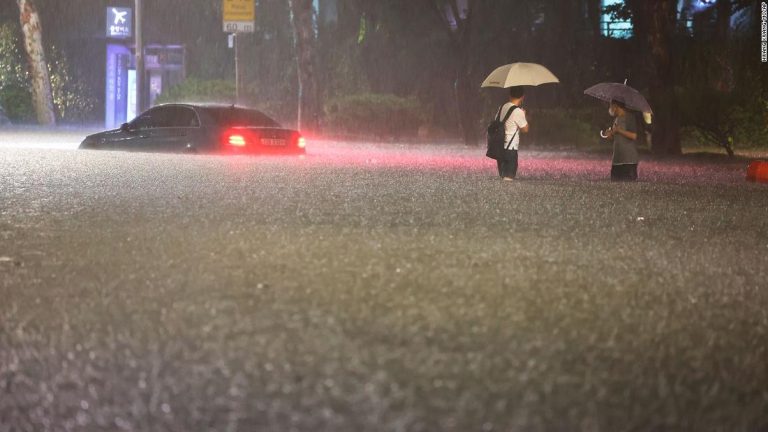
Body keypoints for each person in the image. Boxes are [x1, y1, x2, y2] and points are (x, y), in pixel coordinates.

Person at [496, 86, 529, 180]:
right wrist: (524, 115)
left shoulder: (501, 107)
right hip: (510, 149)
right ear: (522, 97)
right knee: (509, 178)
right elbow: (525, 129)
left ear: (509, 95)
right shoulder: (518, 112)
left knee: (503, 178)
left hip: (500, 148)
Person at [603, 98, 639, 181]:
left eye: (610, 106)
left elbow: (634, 136)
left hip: (628, 160)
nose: (610, 109)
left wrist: (619, 130)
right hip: (617, 159)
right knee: (614, 183)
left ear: (615, 106)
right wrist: (609, 135)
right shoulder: (616, 119)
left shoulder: (629, 117)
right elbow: (616, 138)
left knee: (628, 185)